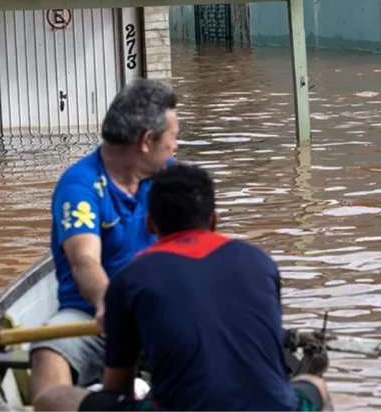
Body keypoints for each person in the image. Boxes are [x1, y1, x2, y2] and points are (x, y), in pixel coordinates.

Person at [33, 163, 331, 412]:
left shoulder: (130, 278)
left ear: (150, 224)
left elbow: (116, 390)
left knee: (52, 397)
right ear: (214, 220)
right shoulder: (261, 263)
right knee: (316, 386)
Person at [29, 79, 179, 402]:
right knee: (47, 354)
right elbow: (85, 261)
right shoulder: (80, 185)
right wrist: (109, 304)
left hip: (157, 311)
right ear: (146, 141)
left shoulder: (169, 177)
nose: (175, 147)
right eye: (172, 139)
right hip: (91, 316)